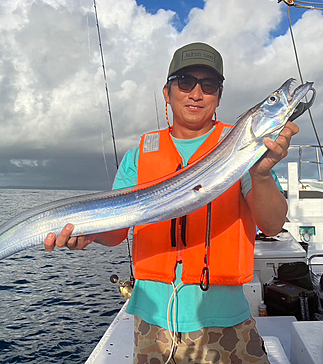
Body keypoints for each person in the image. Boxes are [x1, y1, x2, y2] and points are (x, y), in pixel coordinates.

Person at [45, 42, 299, 363]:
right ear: (168, 92)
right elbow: (115, 233)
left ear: (219, 96)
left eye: (209, 86)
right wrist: (91, 233)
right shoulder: (139, 155)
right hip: (153, 323)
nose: (196, 94)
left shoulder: (241, 148)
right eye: (185, 83)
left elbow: (273, 224)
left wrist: (261, 175)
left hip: (225, 321)